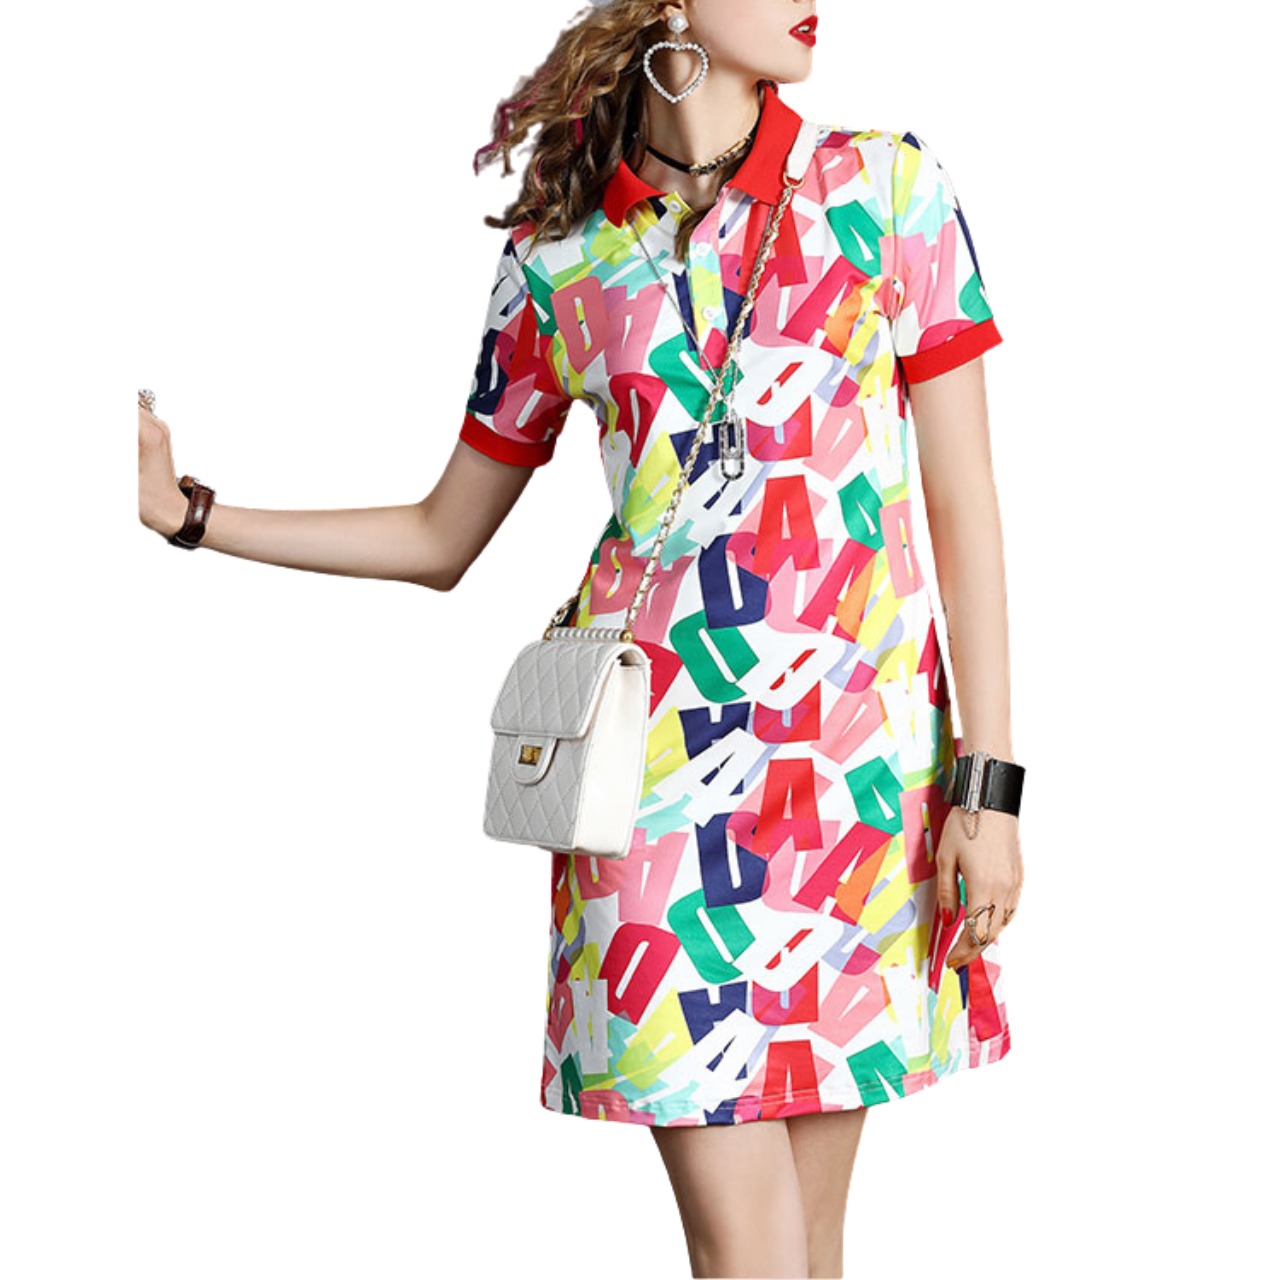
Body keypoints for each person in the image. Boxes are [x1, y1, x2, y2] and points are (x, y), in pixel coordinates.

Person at [138, 1, 1026, 1275]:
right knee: (748, 1246)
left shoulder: (885, 189)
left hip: (861, 788)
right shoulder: (559, 256)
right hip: (653, 788)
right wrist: (192, 515)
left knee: (811, 1243)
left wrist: (987, 788)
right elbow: (441, 532)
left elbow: (962, 500)